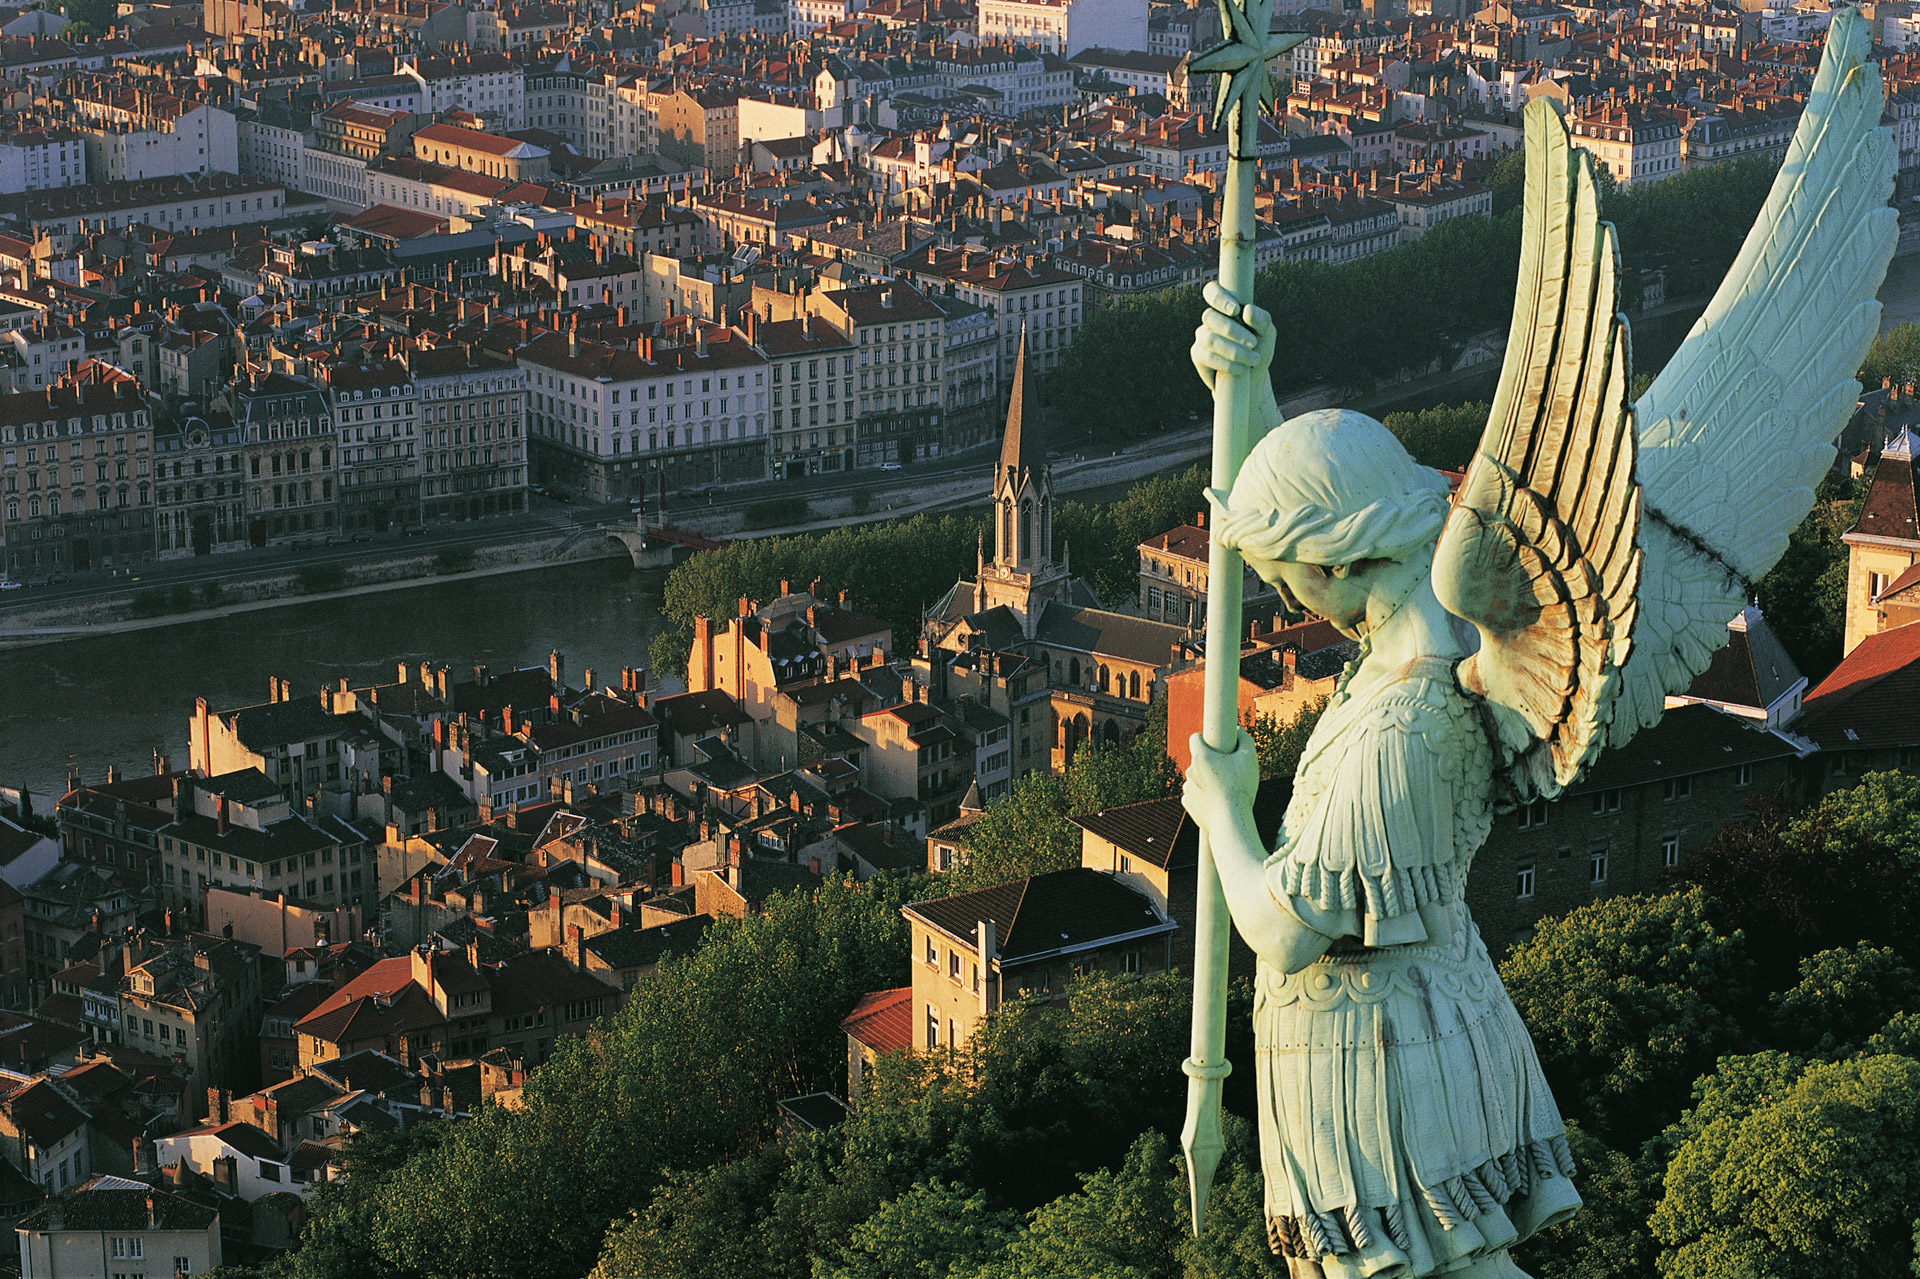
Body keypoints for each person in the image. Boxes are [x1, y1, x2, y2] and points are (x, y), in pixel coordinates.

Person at [1181, 284, 1581, 1278]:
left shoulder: (1397, 728)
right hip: (1418, 1026)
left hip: (1382, 1064)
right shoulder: (1414, 654)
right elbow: (1314, 512)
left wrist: (1224, 812)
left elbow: (1282, 925)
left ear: (1342, 559)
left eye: (1291, 575)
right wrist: (1251, 385)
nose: (1281, 598)